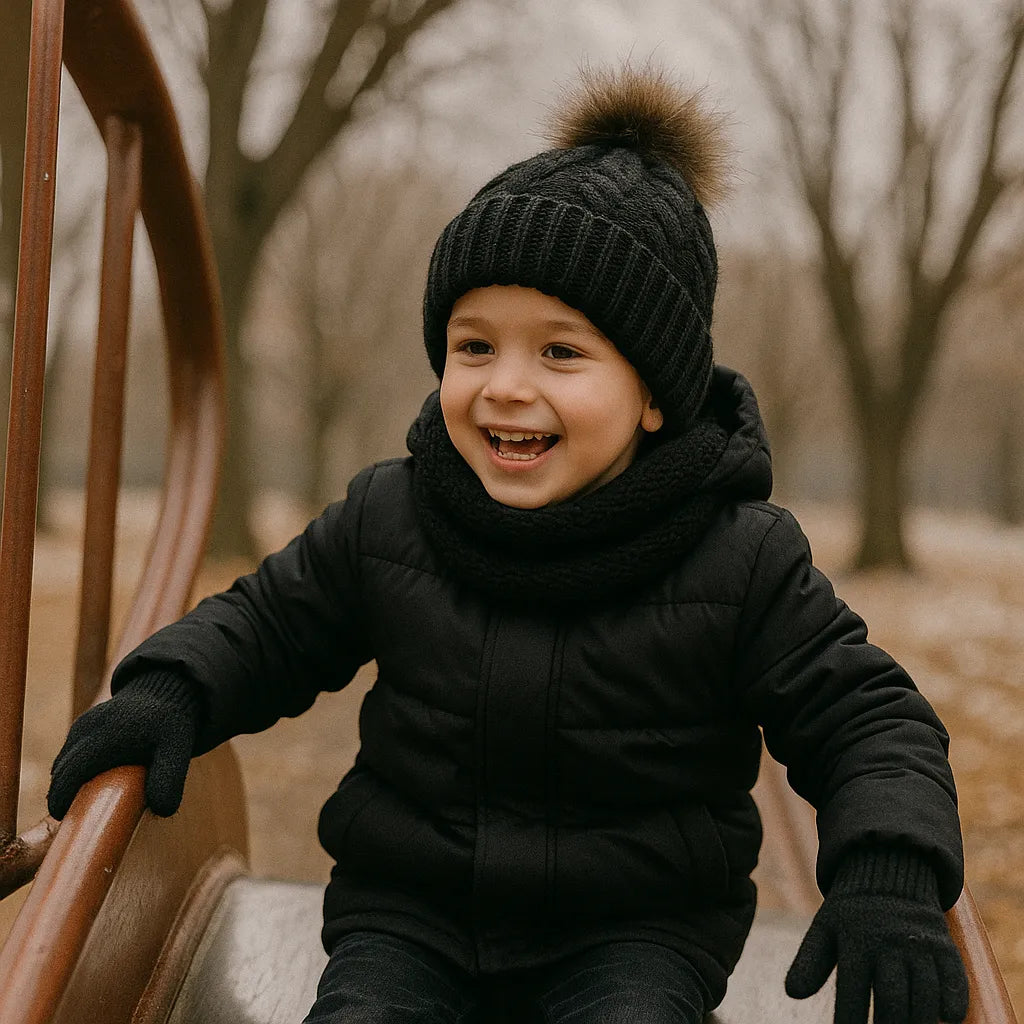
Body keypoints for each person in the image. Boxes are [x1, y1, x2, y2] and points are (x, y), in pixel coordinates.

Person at [47, 63, 969, 1024]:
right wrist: (171, 688)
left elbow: (868, 718)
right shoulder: (395, 515)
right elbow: (268, 624)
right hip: (411, 920)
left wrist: (889, 864)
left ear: (656, 395)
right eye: (474, 345)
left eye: (560, 351)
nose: (504, 385)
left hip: (636, 934)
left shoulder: (738, 558)